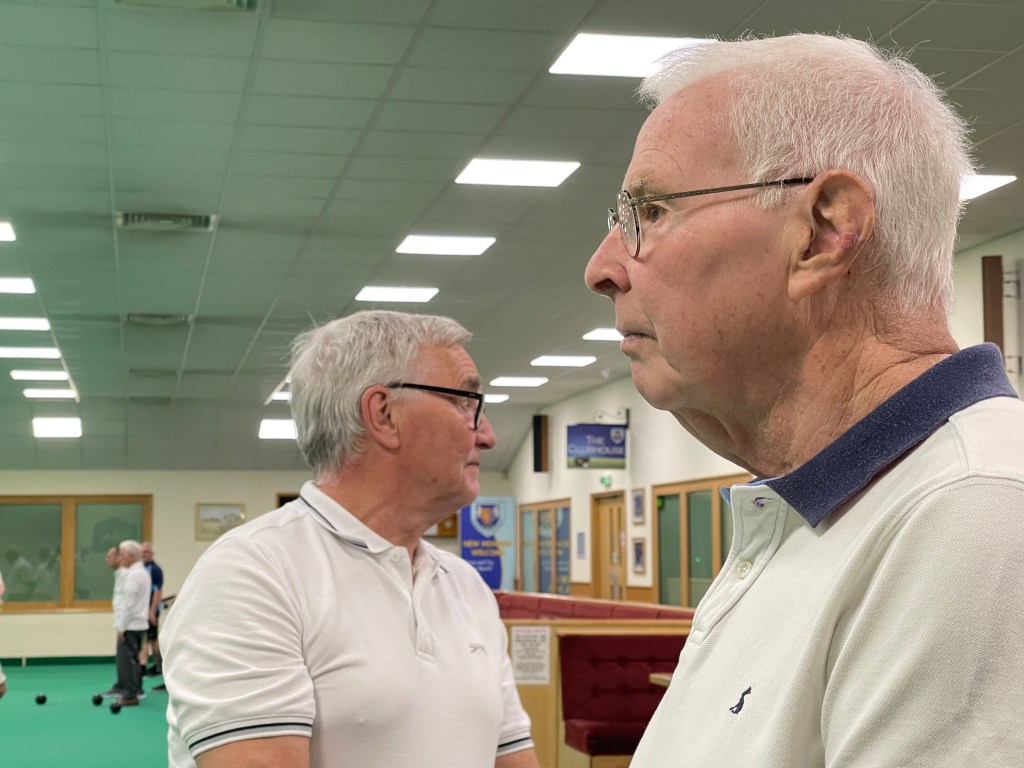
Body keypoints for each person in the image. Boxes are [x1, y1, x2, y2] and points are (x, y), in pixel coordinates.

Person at [585, 33, 1024, 768]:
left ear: (824, 232)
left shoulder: (973, 515)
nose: (601, 268)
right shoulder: (818, 515)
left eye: (650, 211)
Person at [162, 310, 539, 768]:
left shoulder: (466, 587)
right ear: (383, 414)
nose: (488, 435)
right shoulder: (251, 574)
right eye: (466, 402)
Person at [112, 540, 151, 707]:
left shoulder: (134, 575)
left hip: (131, 624)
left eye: (121, 555)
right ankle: (131, 691)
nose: (120, 558)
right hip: (137, 623)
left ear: (129, 556)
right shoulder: (140, 572)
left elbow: (128, 603)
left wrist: (121, 626)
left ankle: (131, 695)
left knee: (129, 661)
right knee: (131, 660)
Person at [139, 542, 164, 678]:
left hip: (150, 610)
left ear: (152, 554)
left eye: (146, 552)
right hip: (141, 610)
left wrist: (152, 611)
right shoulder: (140, 568)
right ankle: (145, 666)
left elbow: (157, 592)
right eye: (142, 552)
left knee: (151, 640)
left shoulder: (155, 570)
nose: (144, 554)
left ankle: (158, 667)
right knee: (145, 639)